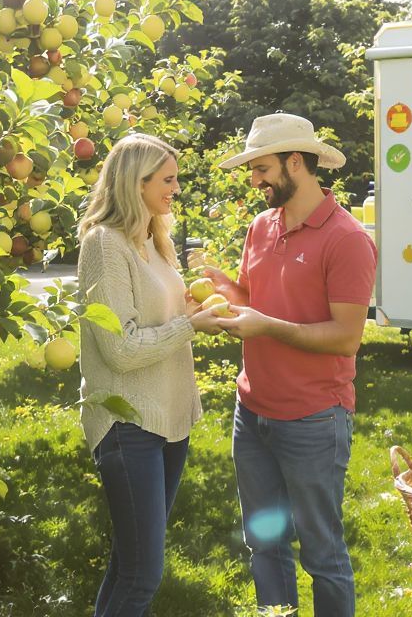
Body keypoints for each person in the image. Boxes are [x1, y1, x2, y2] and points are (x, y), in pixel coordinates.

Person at [206, 113, 377, 617]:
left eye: (261, 169)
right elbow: (255, 302)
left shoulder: (346, 239)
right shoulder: (261, 227)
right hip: (252, 410)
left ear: (295, 162)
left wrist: (267, 326)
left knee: (322, 554)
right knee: (266, 545)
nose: (255, 181)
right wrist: (224, 289)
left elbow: (346, 338)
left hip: (312, 419)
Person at [76, 132, 222, 617]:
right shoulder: (104, 245)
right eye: (167, 179)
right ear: (135, 183)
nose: (176, 188)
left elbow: (159, 315)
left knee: (129, 562)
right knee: (143, 574)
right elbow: (118, 349)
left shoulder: (153, 240)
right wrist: (189, 325)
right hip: (129, 423)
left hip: (169, 419)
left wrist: (193, 305)